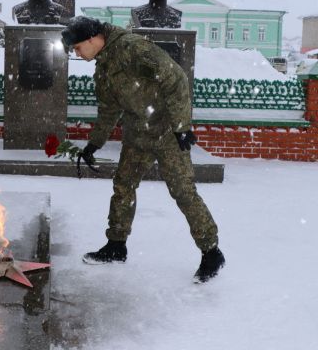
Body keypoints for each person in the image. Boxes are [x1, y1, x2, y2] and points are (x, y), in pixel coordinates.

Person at [61, 16, 225, 283]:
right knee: (123, 185)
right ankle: (116, 245)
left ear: (92, 39)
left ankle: (211, 252)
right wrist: (94, 144)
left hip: (167, 131)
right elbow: (109, 110)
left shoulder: (132, 48)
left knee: (182, 191)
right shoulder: (103, 66)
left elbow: (175, 79)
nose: (77, 53)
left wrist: (182, 127)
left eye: (78, 48)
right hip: (138, 132)